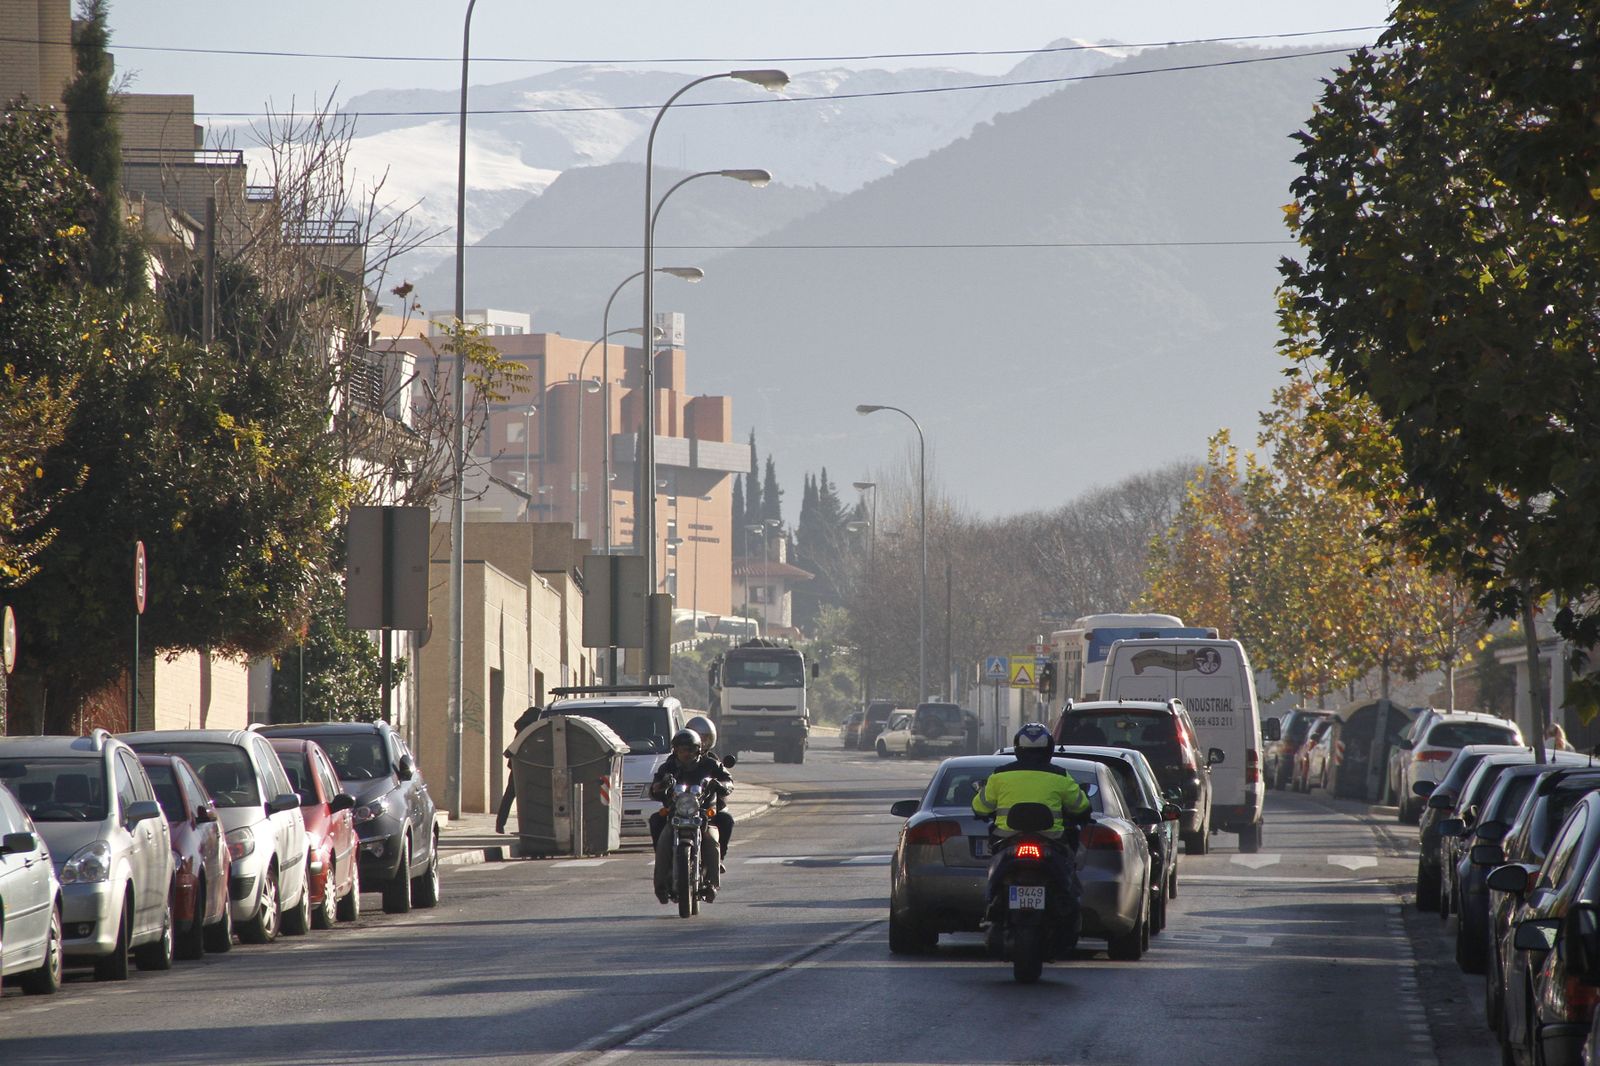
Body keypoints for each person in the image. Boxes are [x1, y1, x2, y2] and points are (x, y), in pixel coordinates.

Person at [972, 722, 1093, 950]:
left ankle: (992, 907)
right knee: (1069, 880)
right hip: (1051, 842)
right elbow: (1081, 806)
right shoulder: (1060, 776)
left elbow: (980, 806)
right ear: (1049, 750)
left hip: (1008, 841)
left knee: (992, 884)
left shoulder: (1000, 776)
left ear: (1018, 748)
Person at [649, 728, 733, 904]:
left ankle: (712, 882)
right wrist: (661, 785)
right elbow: (654, 788)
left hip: (703, 814)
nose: (686, 753)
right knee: (662, 837)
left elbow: (728, 781)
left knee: (711, 839)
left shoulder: (710, 765)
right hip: (675, 814)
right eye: (681, 750)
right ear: (675, 750)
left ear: (698, 750)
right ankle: (661, 884)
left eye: (690, 749)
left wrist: (719, 784)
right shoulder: (668, 766)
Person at [495, 705, 546, 834]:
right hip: (529, 765)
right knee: (532, 795)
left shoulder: (522, 727)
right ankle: (532, 826)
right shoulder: (532, 728)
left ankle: (500, 824)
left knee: (510, 795)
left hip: (517, 765)